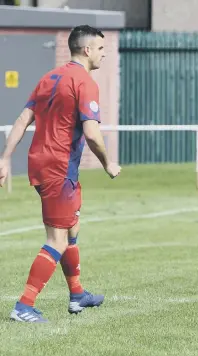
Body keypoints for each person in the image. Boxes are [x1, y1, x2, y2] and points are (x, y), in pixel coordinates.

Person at [0, 25, 122, 323]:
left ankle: (77, 295)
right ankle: (23, 305)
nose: (105, 54)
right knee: (56, 239)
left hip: (44, 164)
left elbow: (22, 118)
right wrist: (108, 163)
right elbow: (92, 134)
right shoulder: (85, 82)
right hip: (59, 168)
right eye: (102, 49)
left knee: (72, 229)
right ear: (87, 50)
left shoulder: (49, 78)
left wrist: (5, 158)